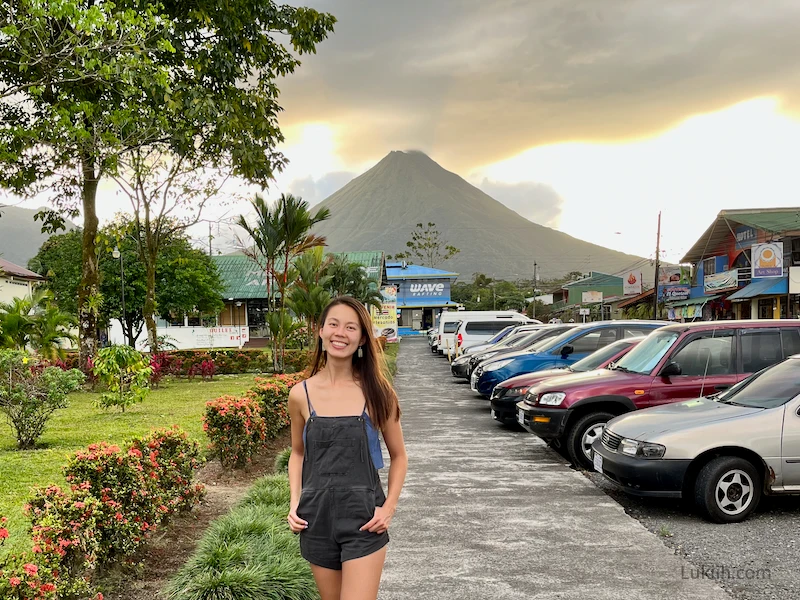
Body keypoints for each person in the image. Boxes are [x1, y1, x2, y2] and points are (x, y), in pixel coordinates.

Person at [287, 296, 408, 600]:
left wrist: (389, 507)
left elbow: (399, 456)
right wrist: (294, 503)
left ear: (363, 338)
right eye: (334, 324)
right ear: (320, 330)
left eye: (351, 327)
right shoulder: (300, 395)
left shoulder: (378, 393)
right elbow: (298, 452)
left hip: (364, 519)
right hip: (316, 519)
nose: (341, 333)